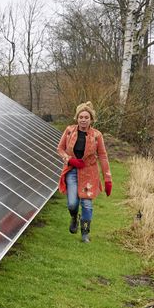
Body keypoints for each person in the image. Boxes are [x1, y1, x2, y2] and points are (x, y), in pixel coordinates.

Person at [57, 101, 112, 243]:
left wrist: (107, 179)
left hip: (89, 173)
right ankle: (74, 217)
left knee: (87, 204)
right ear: (77, 118)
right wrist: (69, 159)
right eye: (81, 117)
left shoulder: (97, 135)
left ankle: (85, 233)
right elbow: (60, 149)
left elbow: (103, 156)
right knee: (72, 204)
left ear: (91, 119)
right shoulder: (69, 131)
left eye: (86, 117)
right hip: (72, 172)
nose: (83, 120)